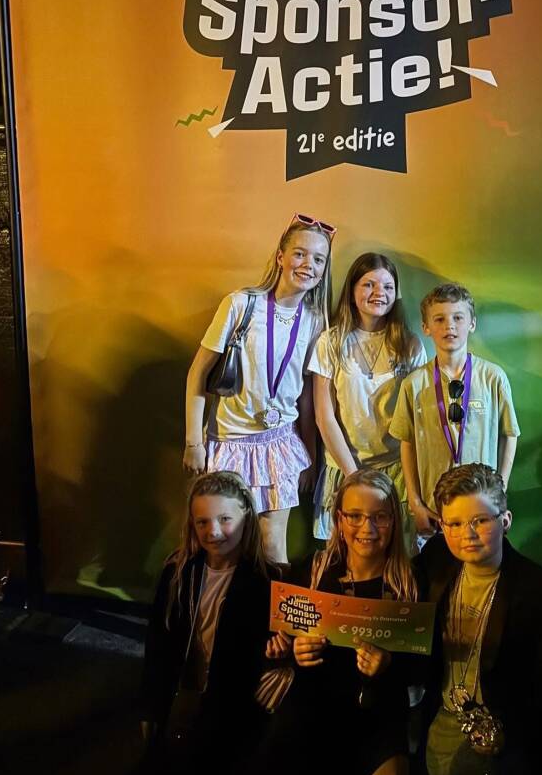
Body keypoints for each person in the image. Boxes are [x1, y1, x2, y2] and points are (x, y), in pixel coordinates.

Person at [183, 214, 334, 563]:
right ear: (281, 256)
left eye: (318, 259)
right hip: (229, 442)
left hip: (279, 444)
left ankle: (273, 602)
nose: (308, 265)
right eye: (299, 254)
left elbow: (307, 395)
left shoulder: (315, 321)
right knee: (224, 545)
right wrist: (193, 442)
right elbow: (197, 373)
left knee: (273, 546)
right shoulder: (241, 304)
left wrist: (310, 456)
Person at [416, 463, 542, 775]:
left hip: (506, 731)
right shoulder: (435, 561)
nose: (466, 534)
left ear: (505, 521)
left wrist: (511, 734)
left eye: (480, 521)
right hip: (441, 717)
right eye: (454, 523)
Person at [258, 469, 421, 775]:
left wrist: (388, 664)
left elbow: (423, 667)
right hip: (314, 712)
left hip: (379, 717)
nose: (367, 528)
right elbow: (275, 639)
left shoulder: (410, 582)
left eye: (379, 517)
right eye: (355, 516)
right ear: (339, 520)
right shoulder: (313, 570)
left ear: (394, 521)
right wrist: (292, 651)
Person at [140, 471, 276, 775]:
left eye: (225, 519)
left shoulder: (267, 581)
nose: (213, 531)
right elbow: (157, 645)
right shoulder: (177, 573)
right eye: (202, 522)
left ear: (246, 517)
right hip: (182, 703)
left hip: (232, 714)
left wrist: (277, 651)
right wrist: (151, 707)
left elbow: (264, 652)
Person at [309, 252, 426, 551]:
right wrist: (354, 477)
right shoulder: (331, 342)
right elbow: (324, 416)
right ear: (352, 289)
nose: (379, 293)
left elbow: (415, 419)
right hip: (345, 468)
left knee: (396, 555)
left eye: (387, 286)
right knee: (347, 555)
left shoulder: (410, 345)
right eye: (369, 284)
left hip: (396, 471)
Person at [389, 283, 520, 539]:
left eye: (458, 318)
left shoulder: (493, 378)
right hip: (434, 512)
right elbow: (407, 443)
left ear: (472, 323)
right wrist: (416, 503)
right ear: (426, 327)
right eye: (439, 319)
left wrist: (499, 492)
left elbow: (510, 435)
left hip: (482, 508)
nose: (449, 326)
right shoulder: (413, 384)